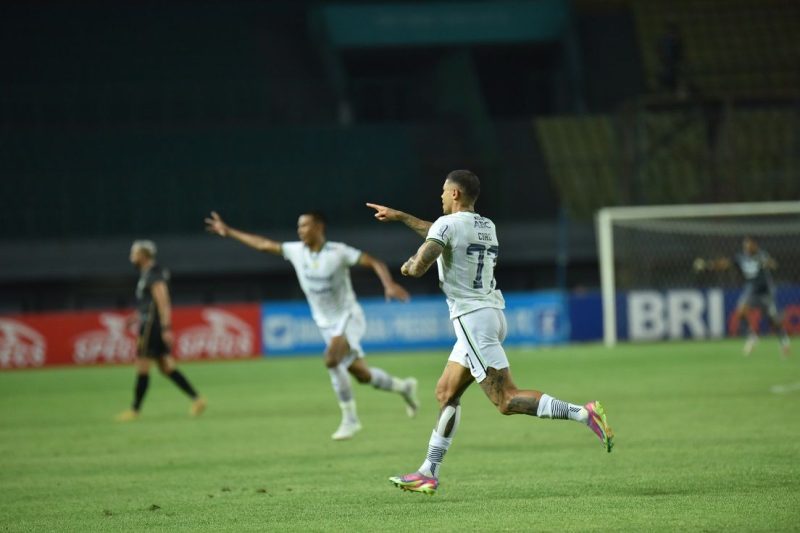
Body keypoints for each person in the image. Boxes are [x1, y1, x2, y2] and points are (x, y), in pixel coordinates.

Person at [367, 169, 613, 496]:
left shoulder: (447, 227)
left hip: (473, 321)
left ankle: (584, 413)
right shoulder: (486, 225)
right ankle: (428, 471)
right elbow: (440, 233)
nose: (440, 196)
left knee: (506, 400)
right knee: (445, 392)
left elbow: (423, 262)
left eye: (443, 190)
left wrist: (409, 265)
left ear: (454, 194)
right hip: (492, 314)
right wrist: (401, 217)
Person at [204, 210, 419, 440]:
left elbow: (374, 261)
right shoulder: (296, 251)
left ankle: (350, 419)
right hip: (326, 324)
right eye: (299, 226)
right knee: (362, 375)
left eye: (305, 225)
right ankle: (403, 387)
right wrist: (229, 232)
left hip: (349, 317)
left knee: (330, 359)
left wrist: (388, 284)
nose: (300, 230)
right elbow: (264, 245)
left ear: (319, 227)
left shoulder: (338, 252)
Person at [116, 240, 206, 421]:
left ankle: (134, 410)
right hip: (149, 323)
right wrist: (133, 317)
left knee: (142, 366)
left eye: (133, 254)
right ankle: (197, 399)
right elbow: (148, 304)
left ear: (142, 255)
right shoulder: (147, 274)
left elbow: (163, 302)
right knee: (166, 367)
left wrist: (166, 328)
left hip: (152, 326)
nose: (131, 257)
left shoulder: (154, 274)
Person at [694, 237, 790, 357]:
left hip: (765, 291)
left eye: (749, 245)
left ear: (755, 245)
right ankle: (752, 337)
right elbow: (725, 263)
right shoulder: (741, 257)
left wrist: (768, 263)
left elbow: (772, 263)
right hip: (750, 290)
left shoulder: (761, 255)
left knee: (773, 320)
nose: (747, 247)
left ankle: (784, 341)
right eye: (745, 245)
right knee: (740, 312)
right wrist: (707, 265)